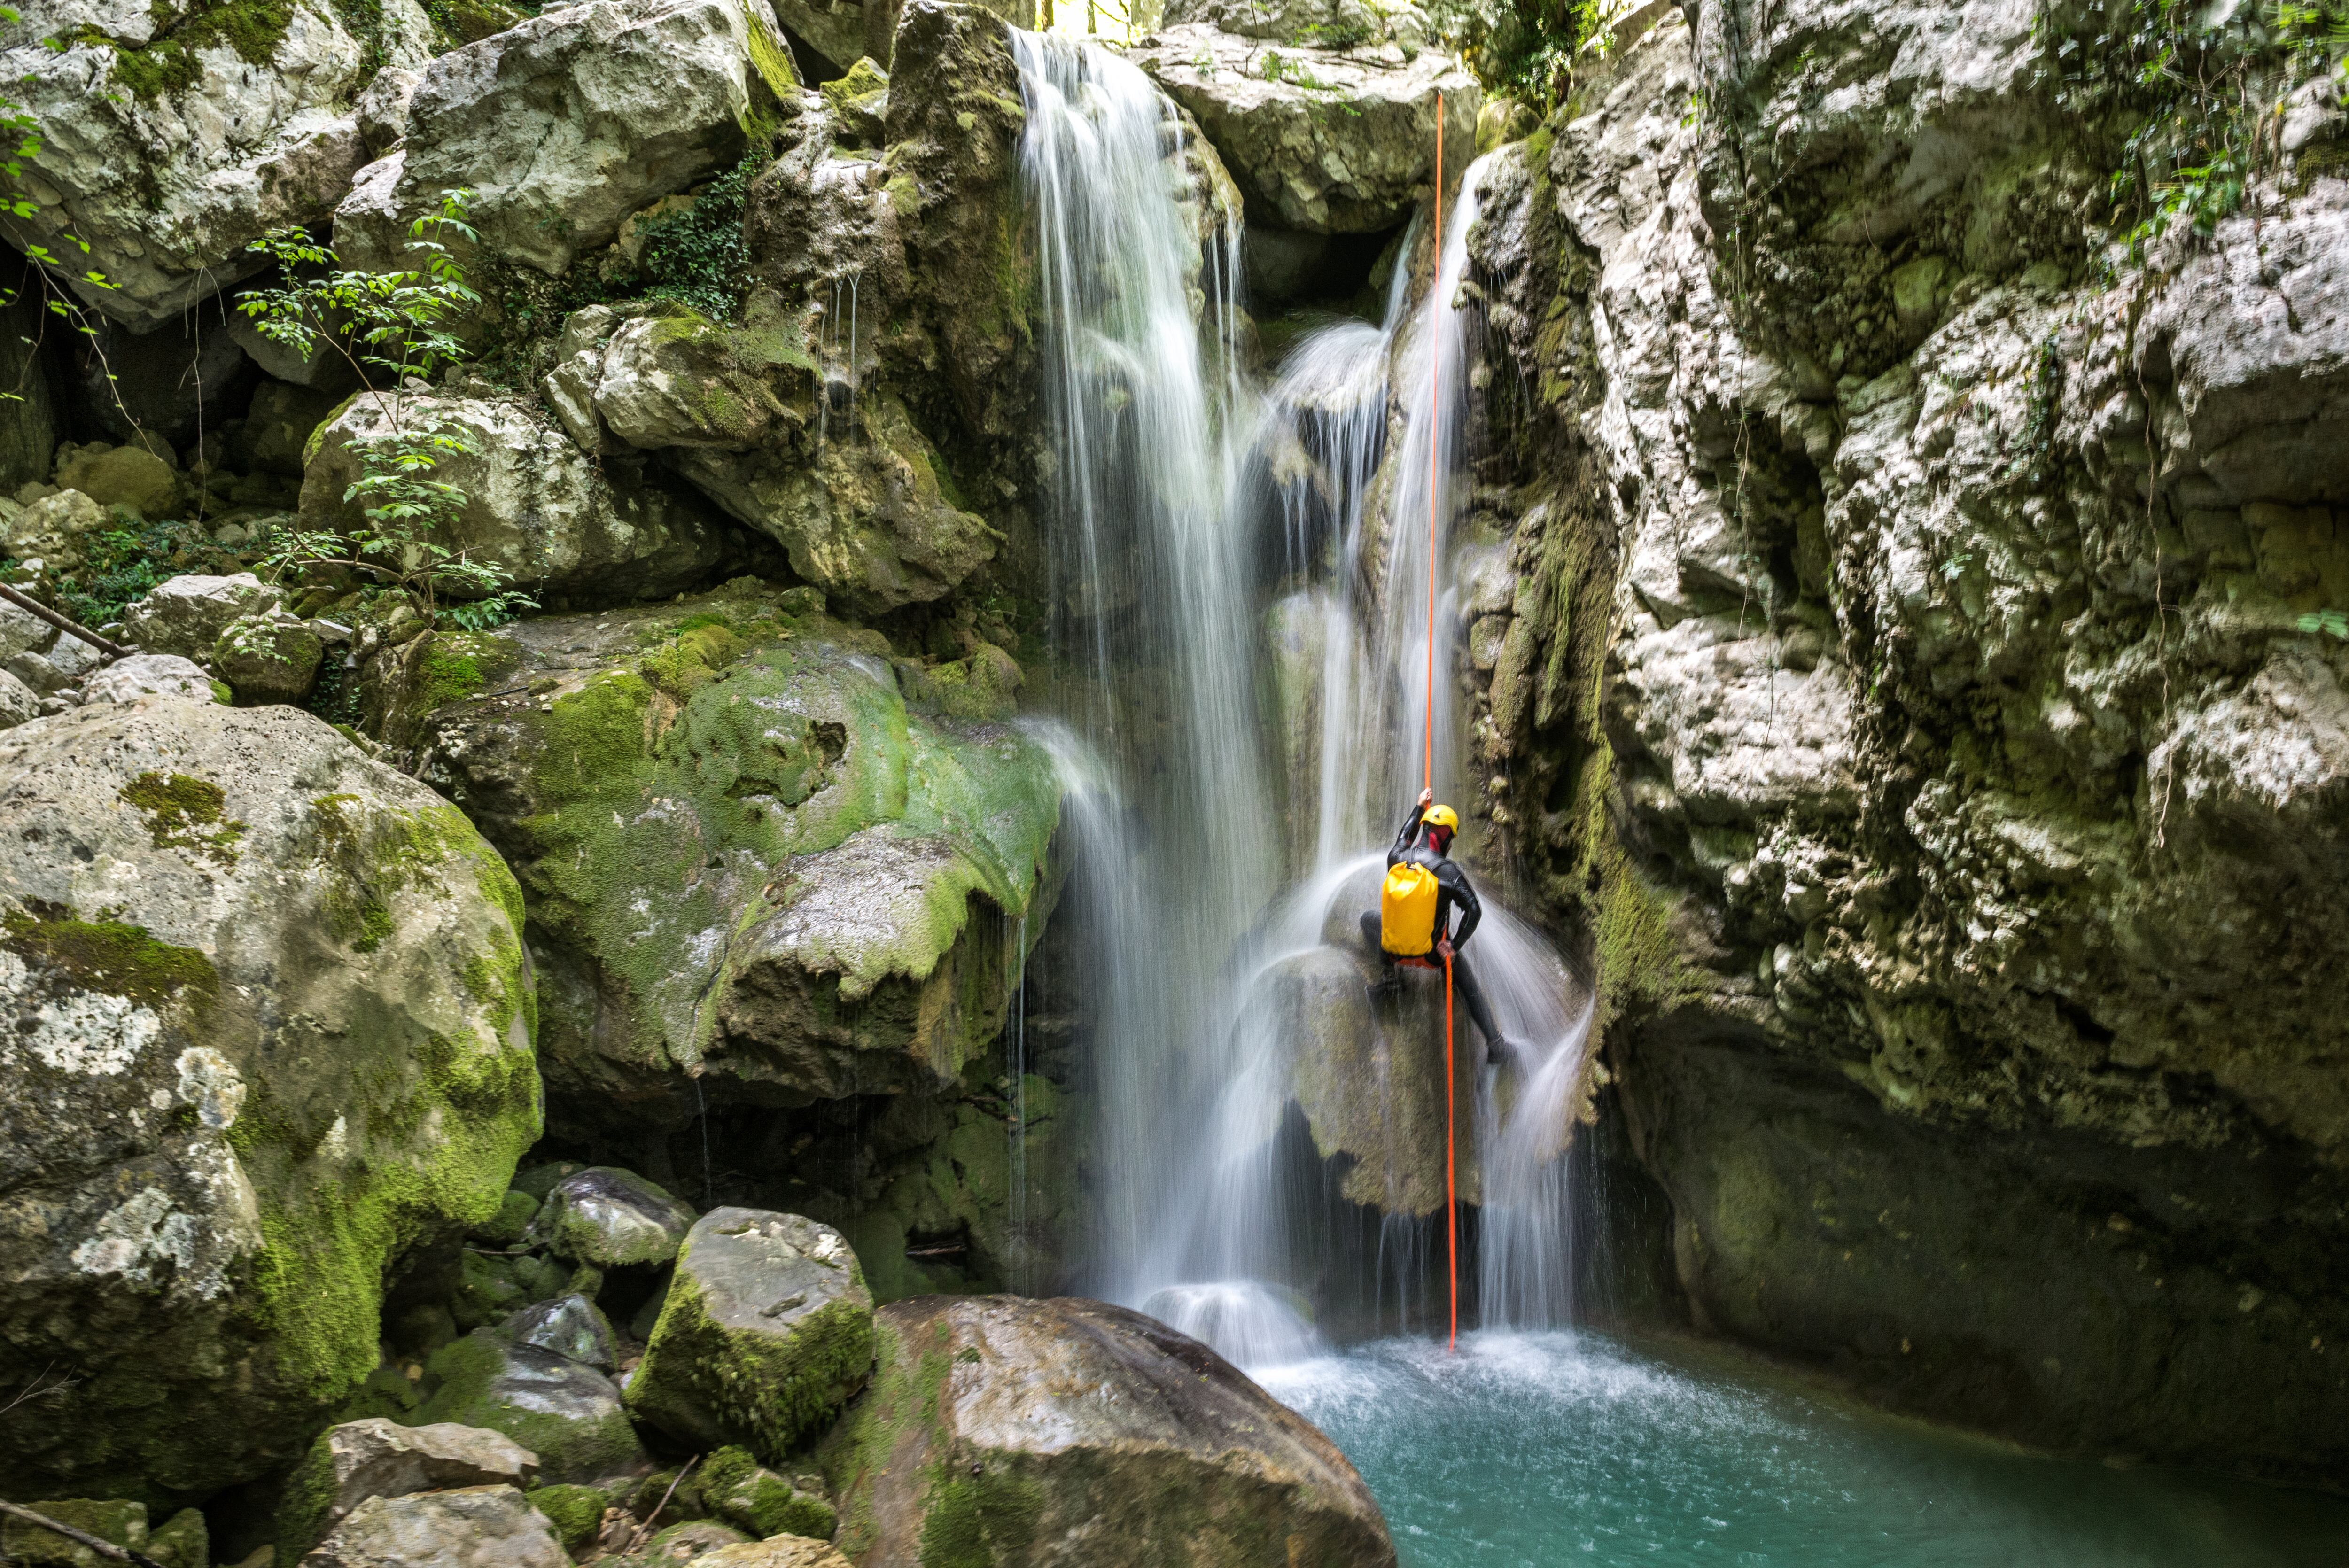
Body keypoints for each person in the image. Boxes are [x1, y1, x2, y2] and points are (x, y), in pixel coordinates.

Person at [1359, 788, 1517, 1064]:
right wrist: (1453, 946)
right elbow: (1474, 910)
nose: (1451, 845)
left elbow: (1404, 835)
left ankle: (1390, 978)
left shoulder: (1396, 857)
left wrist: (1420, 806)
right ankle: (1496, 1045)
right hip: (1431, 955)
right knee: (1464, 977)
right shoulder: (1447, 871)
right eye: (1451, 839)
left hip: (1393, 950)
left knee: (1367, 920)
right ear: (1444, 837)